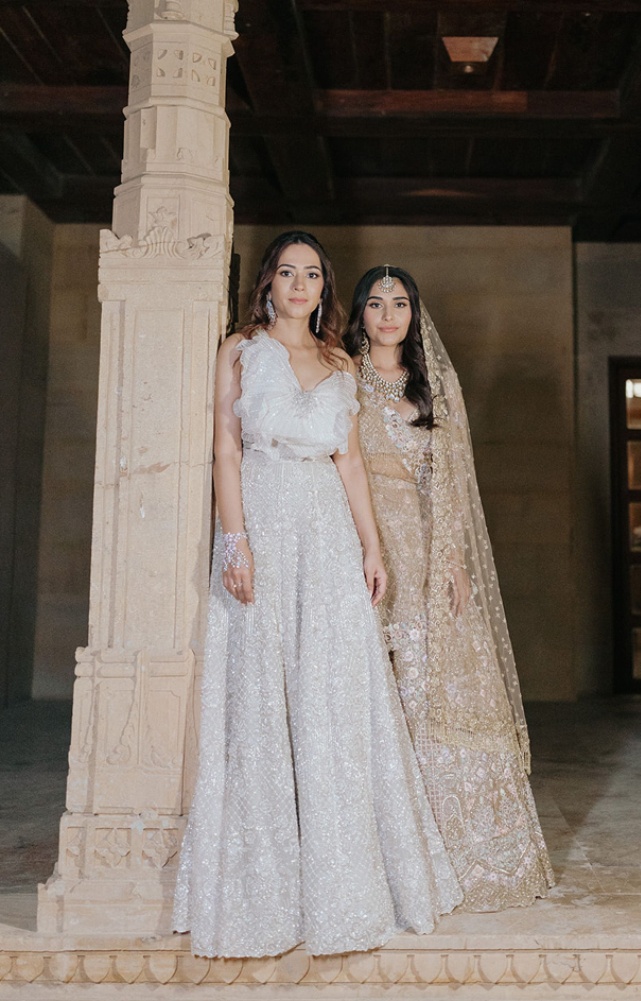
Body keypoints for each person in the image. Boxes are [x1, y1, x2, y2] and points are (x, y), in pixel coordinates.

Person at [173, 235, 462, 958]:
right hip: (264, 524)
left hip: (329, 534)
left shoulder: (339, 363)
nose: (299, 284)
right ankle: (262, 893)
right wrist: (233, 540)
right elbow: (226, 447)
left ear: (323, 289)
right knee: (262, 697)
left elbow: (352, 460)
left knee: (333, 695)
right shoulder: (239, 350)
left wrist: (370, 544)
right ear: (268, 282)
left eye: (312, 274)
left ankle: (345, 884)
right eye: (287, 271)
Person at [344, 265, 554, 912]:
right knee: (380, 686)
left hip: (430, 550)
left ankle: (462, 852)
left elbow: (454, 478)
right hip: (366, 544)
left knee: (442, 684)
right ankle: (379, 854)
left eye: (399, 302)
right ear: (360, 312)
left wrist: (456, 557)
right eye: (376, 302)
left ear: (414, 314)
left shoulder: (435, 386)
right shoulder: (341, 375)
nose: (387, 313)